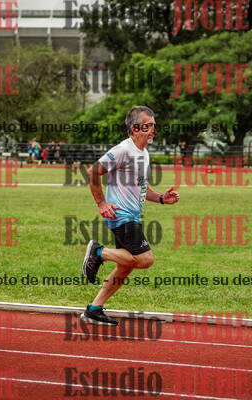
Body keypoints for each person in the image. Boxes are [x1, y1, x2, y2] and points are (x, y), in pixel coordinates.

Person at [81, 106, 180, 325]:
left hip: (133, 216)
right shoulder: (123, 150)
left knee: (125, 267)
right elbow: (93, 171)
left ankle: (94, 309)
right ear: (135, 128)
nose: (153, 130)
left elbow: (142, 187)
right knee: (145, 259)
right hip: (121, 215)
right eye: (148, 126)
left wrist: (161, 198)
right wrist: (101, 203)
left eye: (154, 125)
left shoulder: (143, 153)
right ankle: (98, 251)